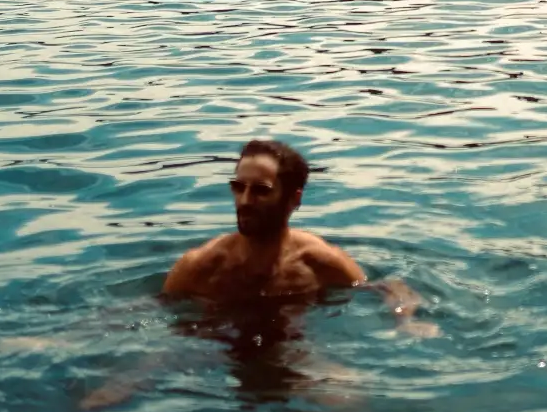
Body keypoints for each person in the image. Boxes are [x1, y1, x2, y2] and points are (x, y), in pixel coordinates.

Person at [163, 137, 436, 336]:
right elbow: (155, 312)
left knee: (344, 397)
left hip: (288, 348)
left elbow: (386, 286)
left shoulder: (318, 260)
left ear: (294, 199)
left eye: (261, 190)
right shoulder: (200, 265)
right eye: (238, 187)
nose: (245, 200)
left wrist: (406, 321)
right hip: (214, 346)